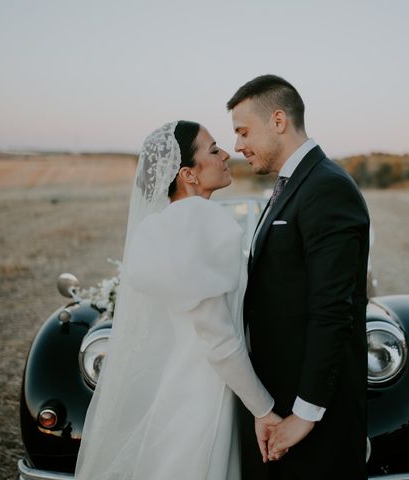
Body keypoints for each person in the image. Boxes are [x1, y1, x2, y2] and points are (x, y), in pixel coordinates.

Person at [74, 120, 281, 480]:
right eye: (214, 150)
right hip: (208, 393)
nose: (225, 154)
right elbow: (218, 337)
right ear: (188, 173)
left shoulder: (159, 226)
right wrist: (263, 408)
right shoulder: (200, 221)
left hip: (178, 381)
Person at [228, 75, 370, 479]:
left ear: (278, 121)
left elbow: (332, 309)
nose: (237, 145)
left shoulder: (327, 188)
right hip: (279, 403)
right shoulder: (290, 185)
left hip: (314, 419)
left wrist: (304, 415)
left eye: (242, 131)